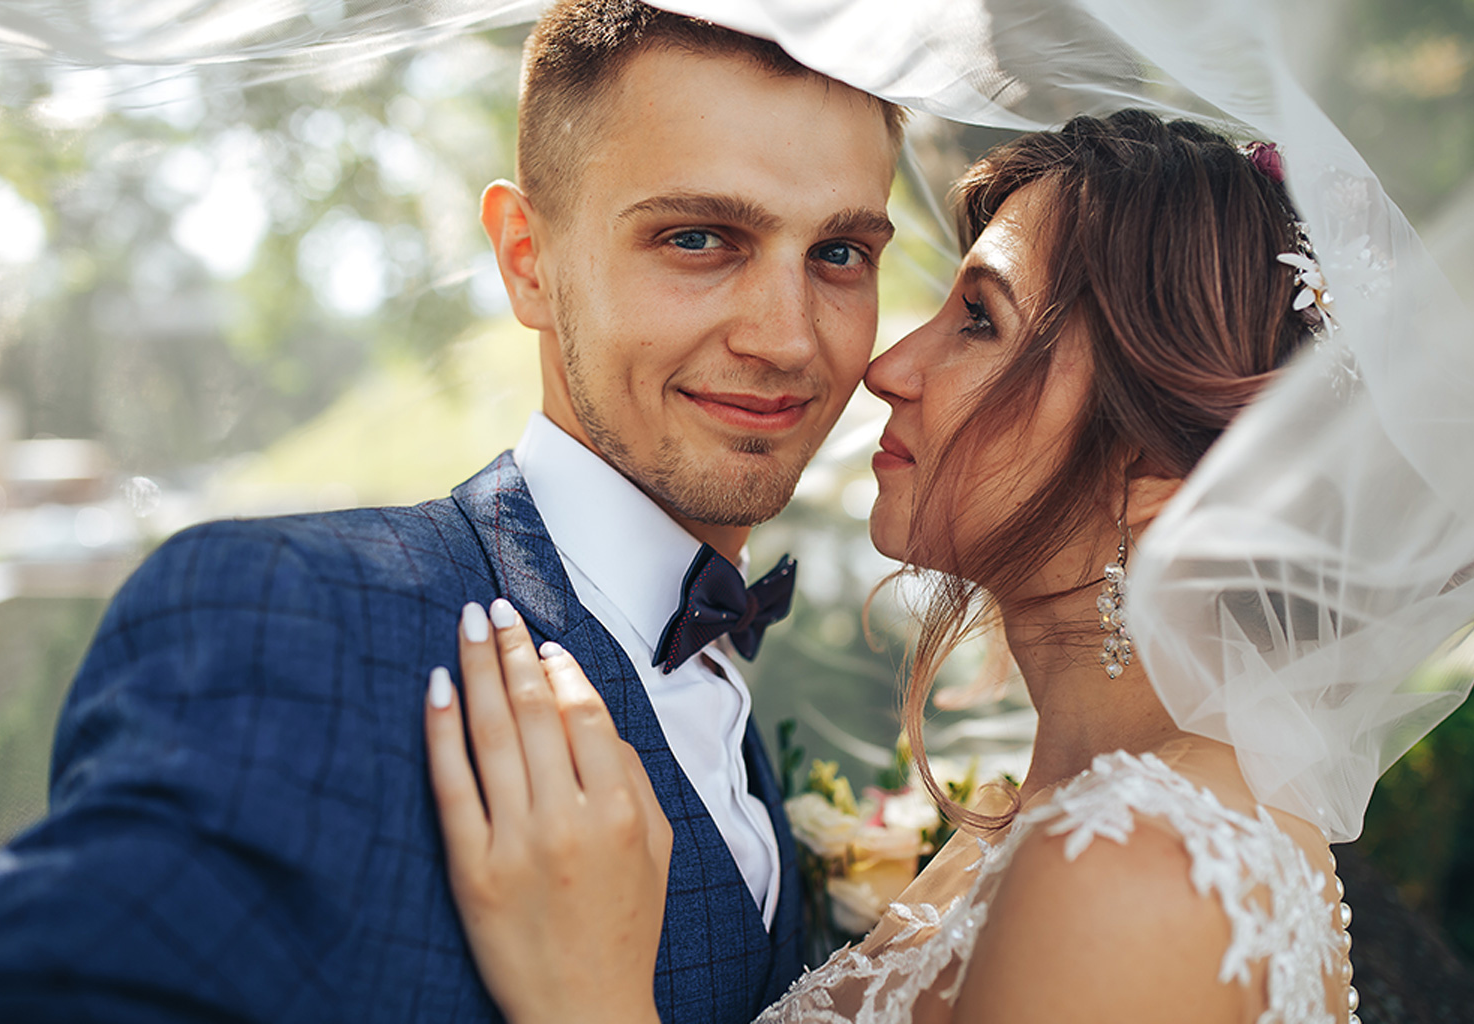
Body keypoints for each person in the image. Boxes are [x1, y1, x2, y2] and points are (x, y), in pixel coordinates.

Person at [0, 3, 903, 1022]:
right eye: (697, 238)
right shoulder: (293, 621)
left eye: (838, 254)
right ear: (526, 258)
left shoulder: (729, 680)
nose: (787, 340)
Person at [425, 111, 1381, 1024]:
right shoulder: (1062, 817)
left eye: (979, 321)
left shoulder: (1130, 870)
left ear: (1152, 471)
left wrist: (587, 999)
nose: (887, 366)